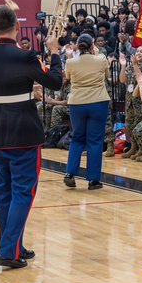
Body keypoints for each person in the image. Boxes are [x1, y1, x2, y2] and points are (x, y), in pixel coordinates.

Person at [0, 5, 63, 268]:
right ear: (18, 27)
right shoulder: (25, 56)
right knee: (23, 191)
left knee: (4, 190)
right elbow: (55, 82)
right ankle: (8, 250)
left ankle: (15, 244)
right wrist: (54, 52)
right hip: (23, 130)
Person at [62, 33, 111, 189]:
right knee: (95, 141)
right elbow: (107, 75)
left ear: (77, 46)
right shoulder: (101, 59)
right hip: (98, 102)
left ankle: (70, 173)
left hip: (77, 103)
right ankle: (93, 180)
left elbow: (67, 78)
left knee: (77, 138)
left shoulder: (70, 62)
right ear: (92, 46)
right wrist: (97, 54)